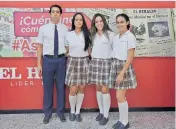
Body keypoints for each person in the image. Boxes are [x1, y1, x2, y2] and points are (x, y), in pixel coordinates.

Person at [37, 4, 68, 124]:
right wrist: (38, 64)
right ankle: (47, 113)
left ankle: (61, 112)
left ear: (60, 14)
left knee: (61, 87)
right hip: (48, 60)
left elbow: (67, 45)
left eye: (57, 12)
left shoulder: (65, 28)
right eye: (53, 12)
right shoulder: (43, 28)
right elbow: (39, 47)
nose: (55, 13)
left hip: (61, 60)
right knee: (48, 88)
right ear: (49, 14)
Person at [109, 13, 137, 129]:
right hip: (115, 65)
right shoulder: (116, 37)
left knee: (120, 96)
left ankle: (125, 122)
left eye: (122, 22)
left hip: (124, 68)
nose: (119, 24)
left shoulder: (130, 36)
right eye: (118, 22)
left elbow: (130, 56)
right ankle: (121, 120)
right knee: (119, 97)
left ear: (127, 23)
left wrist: (121, 73)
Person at [88, 13, 115, 125]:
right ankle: (101, 111)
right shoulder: (92, 34)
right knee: (98, 88)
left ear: (104, 21)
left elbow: (115, 49)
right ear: (94, 23)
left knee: (105, 90)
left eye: (101, 21)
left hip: (106, 63)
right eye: (96, 21)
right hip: (95, 63)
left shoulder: (111, 34)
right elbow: (89, 48)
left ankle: (106, 115)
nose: (99, 23)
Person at [65, 12, 91, 122]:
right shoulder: (69, 34)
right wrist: (69, 54)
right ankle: (72, 111)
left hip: (84, 62)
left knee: (81, 87)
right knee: (73, 88)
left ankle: (78, 112)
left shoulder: (87, 34)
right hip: (72, 61)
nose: (79, 21)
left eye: (80, 19)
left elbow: (90, 51)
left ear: (83, 22)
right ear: (73, 22)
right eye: (76, 19)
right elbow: (66, 50)